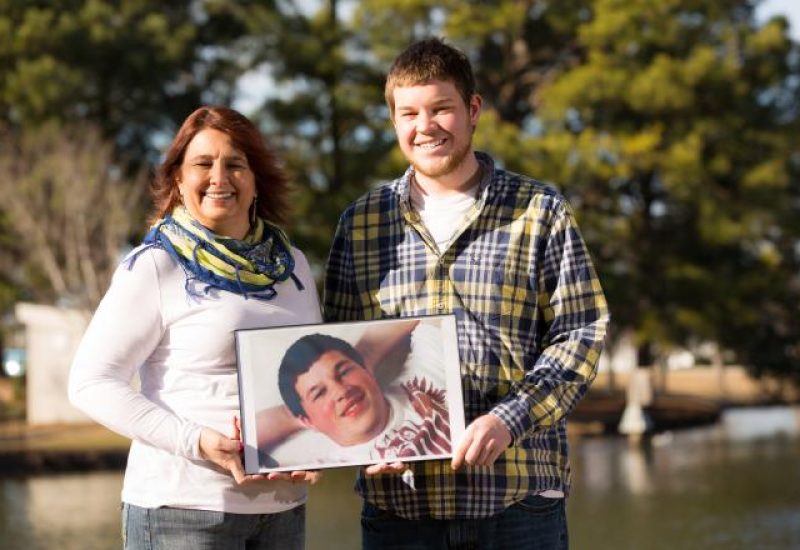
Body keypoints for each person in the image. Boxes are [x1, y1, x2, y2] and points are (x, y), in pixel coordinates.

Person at [324, 38, 610, 549]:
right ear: (394, 121)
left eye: (441, 109)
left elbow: (580, 332)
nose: (425, 126)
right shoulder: (362, 222)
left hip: (518, 505)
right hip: (401, 512)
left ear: (472, 110)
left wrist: (510, 418)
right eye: (408, 113)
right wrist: (360, 445)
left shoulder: (539, 210)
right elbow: (338, 349)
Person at [68, 106, 321, 550]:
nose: (220, 177)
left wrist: (322, 441)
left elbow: (310, 374)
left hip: (282, 509)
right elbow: (90, 383)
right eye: (203, 164)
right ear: (179, 182)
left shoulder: (293, 265)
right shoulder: (155, 265)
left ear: (256, 178)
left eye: (235, 164)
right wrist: (196, 441)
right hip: (182, 511)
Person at [257, 319, 452, 468]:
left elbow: (431, 309)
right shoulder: (326, 470)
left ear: (366, 367)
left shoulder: (426, 377)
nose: (341, 391)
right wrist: (292, 414)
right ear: (306, 421)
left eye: (344, 372)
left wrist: (368, 351)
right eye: (319, 393)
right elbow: (246, 439)